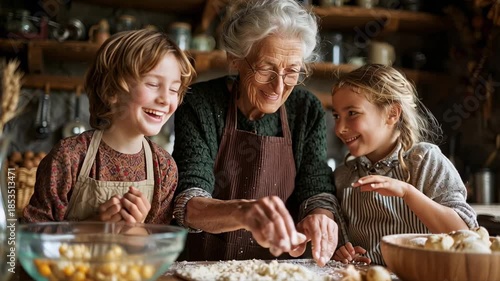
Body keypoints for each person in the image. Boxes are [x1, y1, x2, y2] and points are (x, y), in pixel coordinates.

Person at [172, 0, 339, 266]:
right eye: (266, 69)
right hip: (209, 267)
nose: (278, 86)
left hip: (283, 268)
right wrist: (244, 211)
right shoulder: (200, 103)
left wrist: (321, 217)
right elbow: (188, 204)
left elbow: (316, 186)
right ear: (236, 60)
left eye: (292, 72)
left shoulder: (306, 109)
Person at [21, 29, 195, 224]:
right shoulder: (70, 156)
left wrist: (138, 230)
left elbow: (160, 247)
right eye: (153, 84)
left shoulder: (164, 168)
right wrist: (92, 226)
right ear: (112, 91)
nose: (165, 99)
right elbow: (32, 236)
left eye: (174, 89)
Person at [330, 64, 478, 265]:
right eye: (336, 116)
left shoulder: (425, 161)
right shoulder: (342, 176)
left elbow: (466, 235)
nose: (340, 128)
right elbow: (341, 243)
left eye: (352, 113)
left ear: (392, 113)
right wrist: (343, 252)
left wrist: (407, 192)